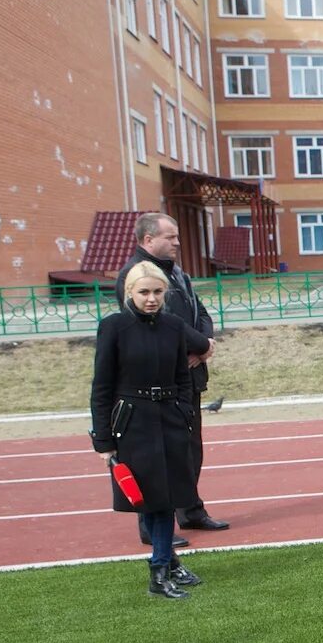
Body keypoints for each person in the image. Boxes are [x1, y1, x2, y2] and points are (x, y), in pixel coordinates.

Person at [90, 262, 206, 599]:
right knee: (153, 499)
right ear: (130, 293)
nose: (151, 298)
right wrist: (103, 439)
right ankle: (159, 572)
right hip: (134, 423)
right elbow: (102, 385)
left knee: (170, 495)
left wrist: (184, 413)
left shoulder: (173, 326)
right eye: (144, 292)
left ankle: (168, 563)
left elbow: (183, 376)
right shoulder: (113, 327)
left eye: (157, 292)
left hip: (170, 419)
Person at [116, 213, 226, 546]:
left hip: (187, 376)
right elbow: (157, 321)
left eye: (177, 236)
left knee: (189, 448)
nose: (177, 242)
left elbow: (200, 313)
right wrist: (199, 346)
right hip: (157, 379)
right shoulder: (136, 276)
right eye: (170, 237)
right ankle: (151, 525)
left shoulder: (177, 273)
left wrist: (205, 345)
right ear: (148, 240)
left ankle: (190, 510)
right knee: (155, 454)